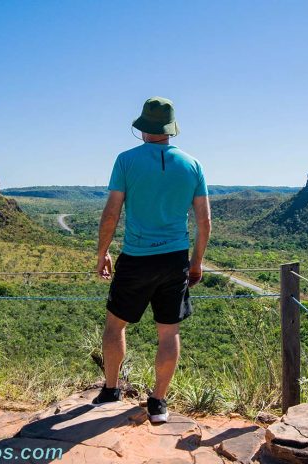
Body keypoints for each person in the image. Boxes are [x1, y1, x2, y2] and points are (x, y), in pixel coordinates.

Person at [94, 96, 211, 423]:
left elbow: (111, 213)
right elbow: (204, 221)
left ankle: (110, 391)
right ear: (171, 129)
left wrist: (103, 253)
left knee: (116, 325)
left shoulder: (126, 161)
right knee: (168, 331)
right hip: (175, 259)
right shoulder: (192, 165)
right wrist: (197, 261)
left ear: (143, 127)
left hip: (136, 258)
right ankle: (158, 403)